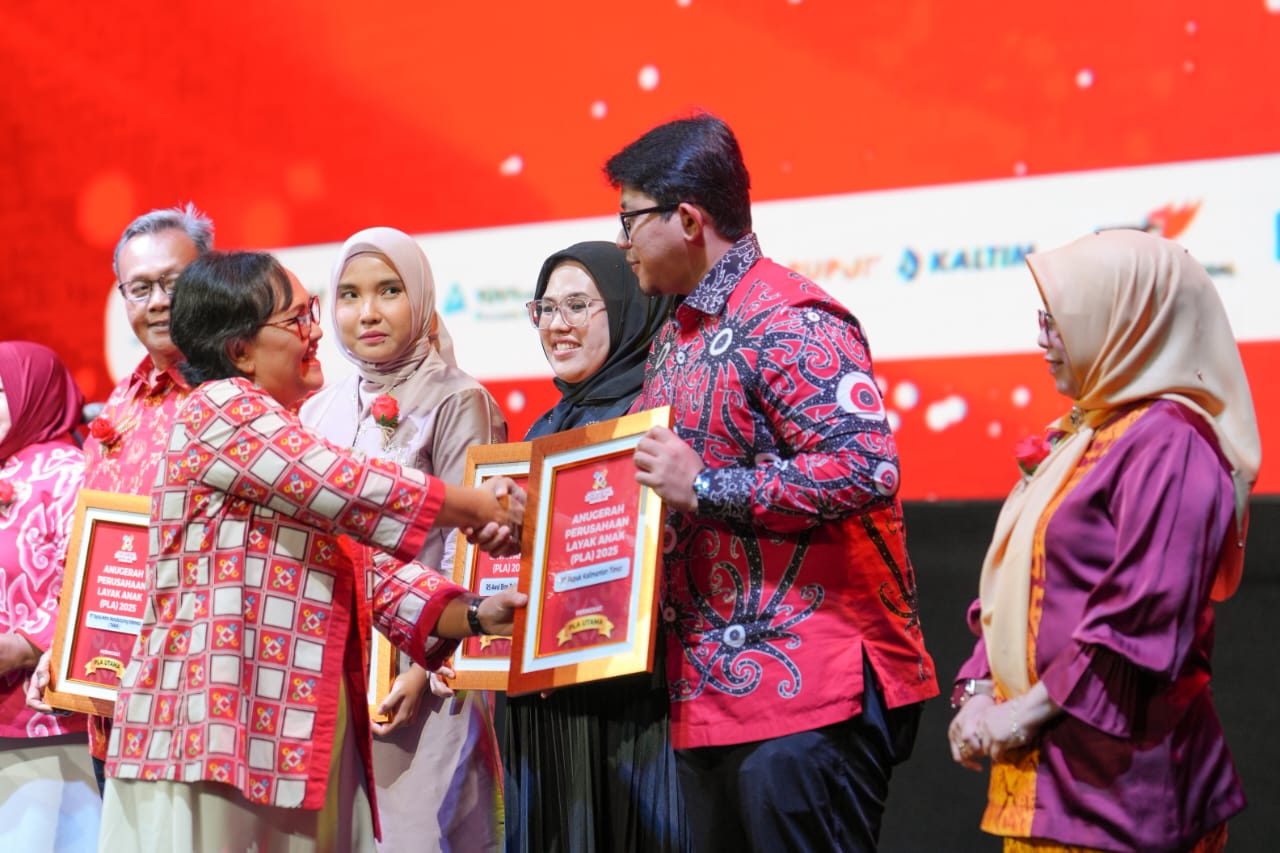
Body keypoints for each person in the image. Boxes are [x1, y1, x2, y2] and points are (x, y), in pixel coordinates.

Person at [98, 250, 527, 852]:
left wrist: (479, 615)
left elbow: (362, 568)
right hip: (216, 734)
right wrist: (479, 506)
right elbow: (349, 484)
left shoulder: (283, 437)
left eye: (311, 313)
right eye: (297, 319)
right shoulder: (219, 408)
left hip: (287, 736)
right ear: (241, 350)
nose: (317, 332)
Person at [612, 113, 938, 852]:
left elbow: (867, 466)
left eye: (630, 219)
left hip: (811, 689)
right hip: (708, 693)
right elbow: (639, 478)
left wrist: (706, 487)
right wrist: (539, 517)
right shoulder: (676, 336)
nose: (622, 240)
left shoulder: (789, 316)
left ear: (687, 219)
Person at [946, 228, 1260, 853]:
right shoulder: (1087, 432)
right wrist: (978, 694)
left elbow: (1140, 623)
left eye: (1059, 321)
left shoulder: (1171, 442)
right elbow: (1017, 588)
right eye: (1044, 319)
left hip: (1124, 798)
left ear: (1124, 322)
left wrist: (1016, 716)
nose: (1043, 339)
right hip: (1042, 786)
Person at [300, 227, 508, 852]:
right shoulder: (315, 410)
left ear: (419, 296)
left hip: (425, 668)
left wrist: (424, 666)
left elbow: (469, 546)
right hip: (334, 670)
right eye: (350, 295)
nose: (368, 312)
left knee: (415, 834)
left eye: (389, 291)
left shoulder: (457, 399)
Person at [26, 204, 214, 794]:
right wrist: (62, 648)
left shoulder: (241, 391)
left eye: (174, 284)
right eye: (140, 288)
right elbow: (88, 550)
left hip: (205, 703)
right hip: (114, 702)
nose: (158, 302)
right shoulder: (120, 404)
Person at [504, 241, 685, 852]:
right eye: (545, 308)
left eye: (578, 305)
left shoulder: (655, 417)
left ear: (628, 308)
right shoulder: (543, 428)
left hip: (631, 704)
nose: (557, 324)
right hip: (546, 706)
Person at [0, 341, 100, 850]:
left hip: (41, 715)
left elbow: (91, 577)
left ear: (31, 393)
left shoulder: (69, 472)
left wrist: (22, 646)